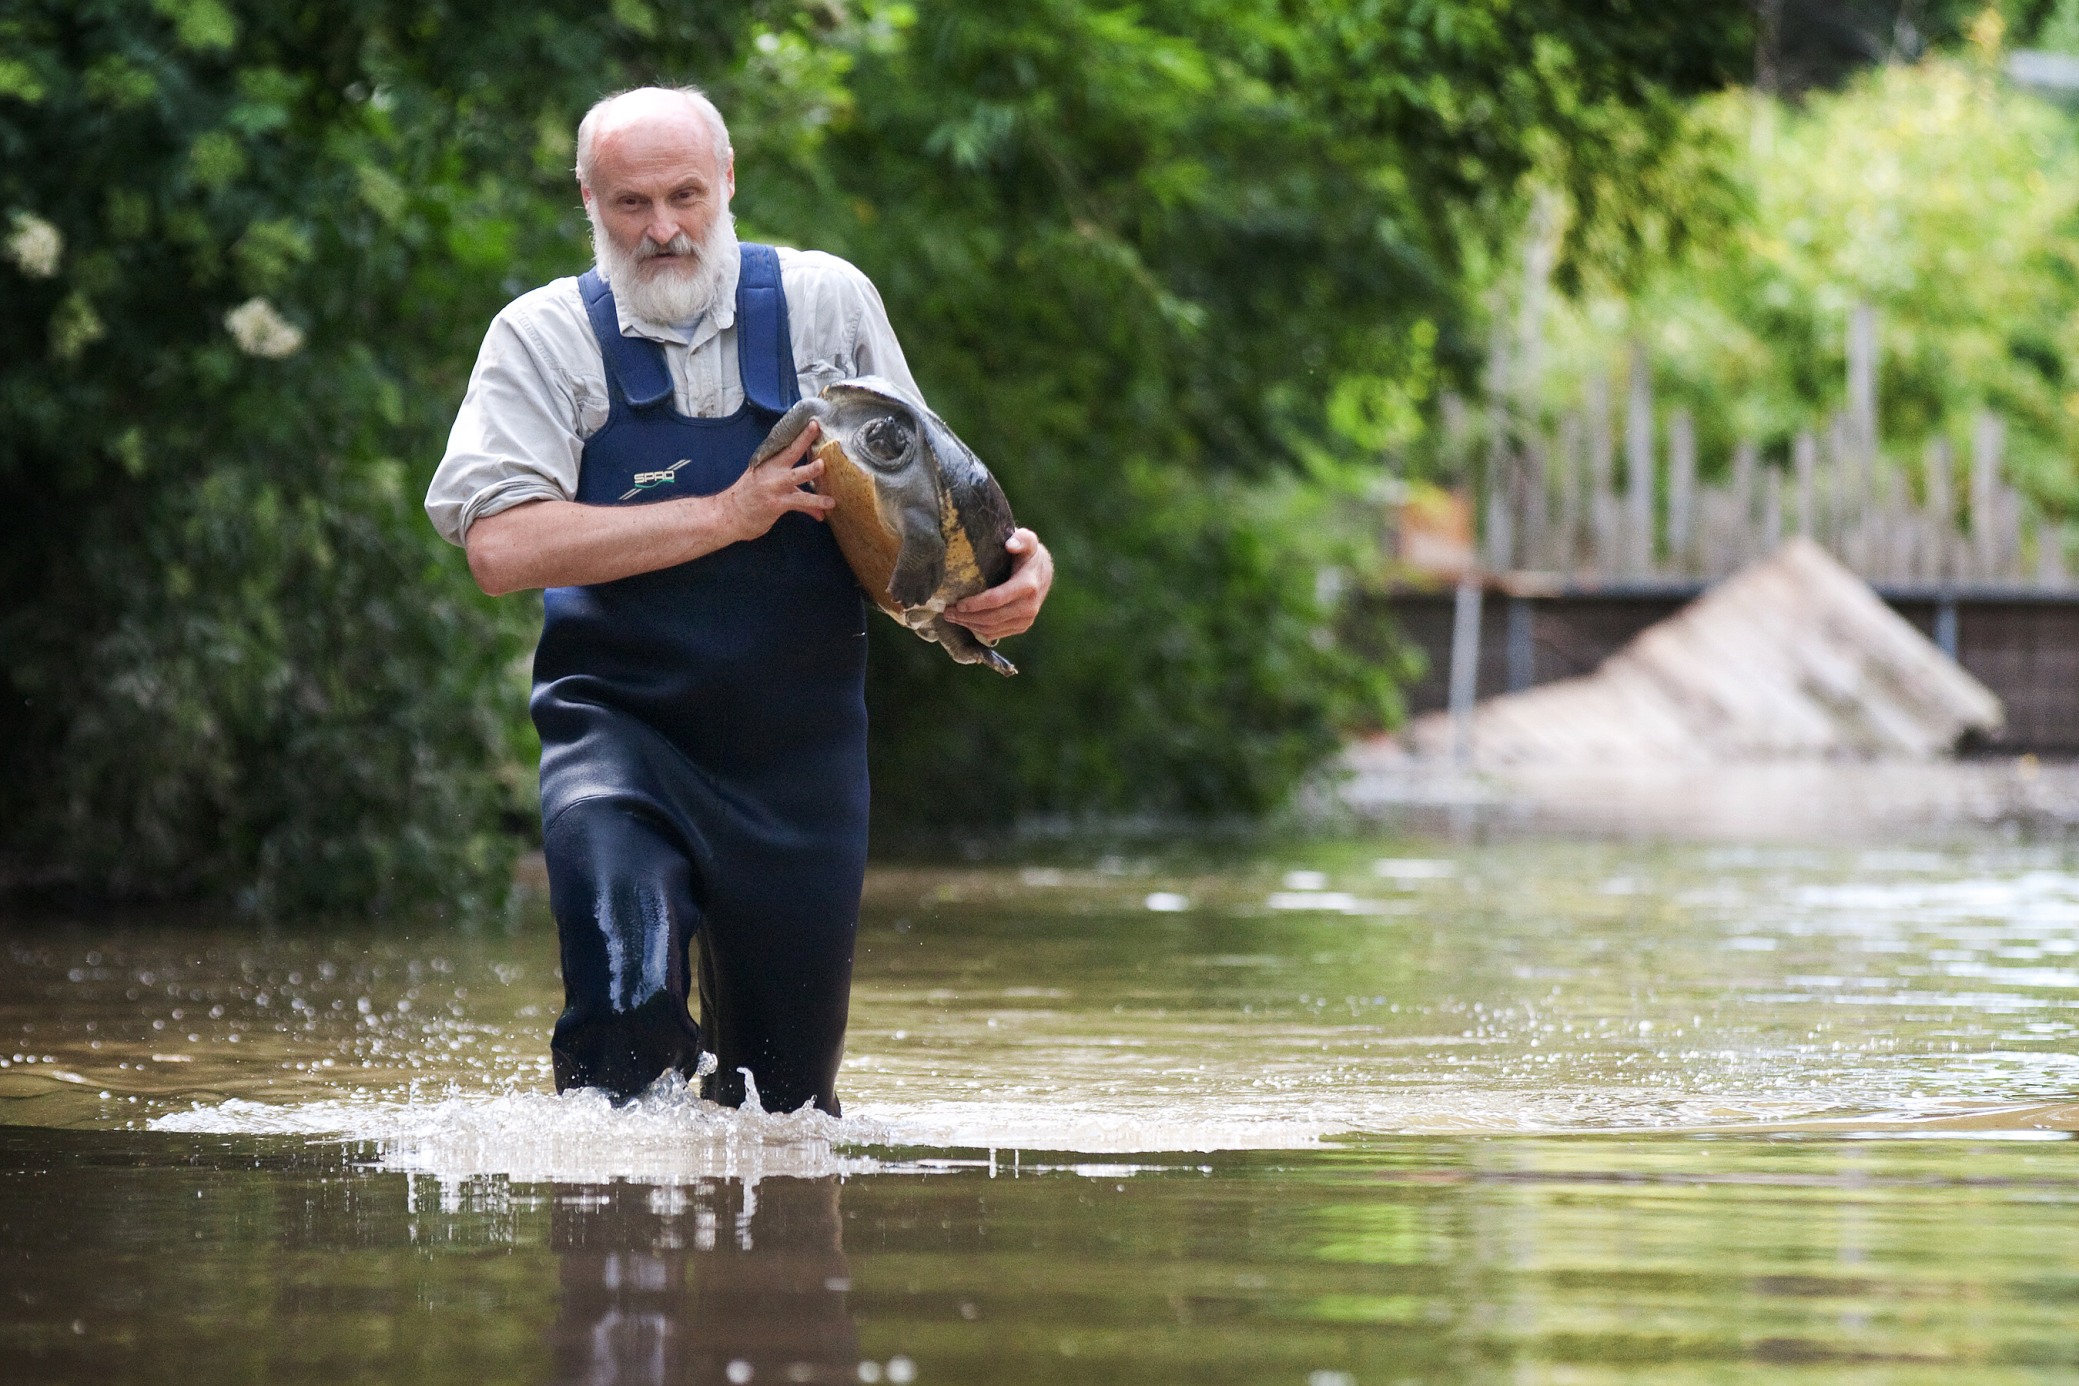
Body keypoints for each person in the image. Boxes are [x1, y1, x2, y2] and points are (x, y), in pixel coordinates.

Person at [424, 85, 1052, 1116]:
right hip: (618, 738)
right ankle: (618, 1261)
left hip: (799, 759)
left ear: (729, 182)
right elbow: (500, 548)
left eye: (685, 196)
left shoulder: (826, 304)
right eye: (630, 205)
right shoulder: (541, 338)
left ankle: (766, 1273)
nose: (662, 230)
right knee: (620, 1038)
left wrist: (1018, 578)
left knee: (785, 1106)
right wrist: (728, 513)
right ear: (586, 200)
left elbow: (932, 518)